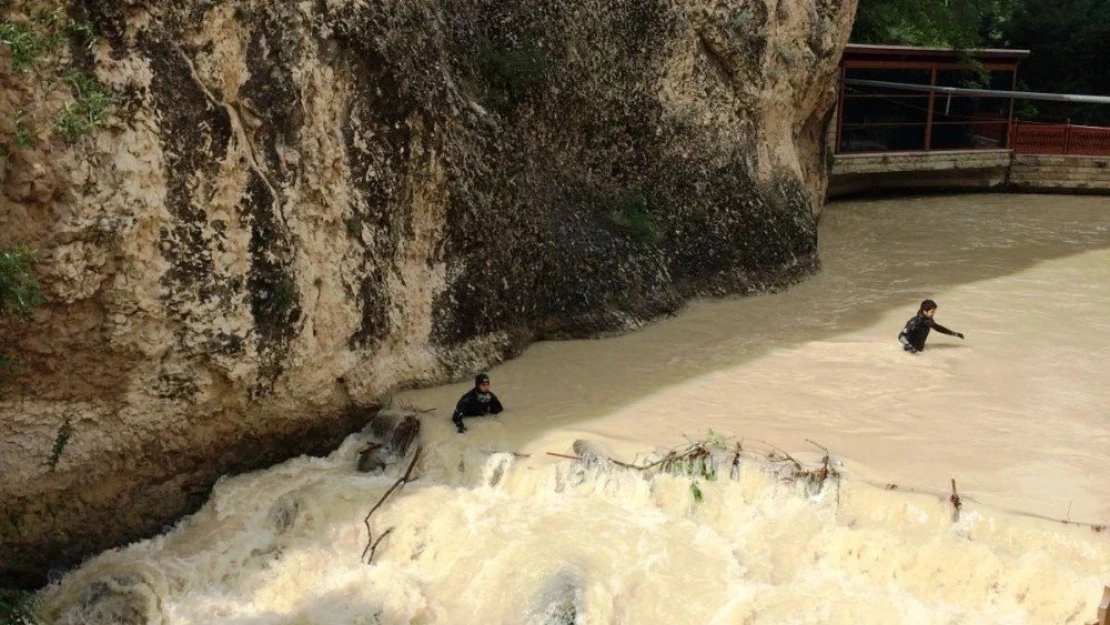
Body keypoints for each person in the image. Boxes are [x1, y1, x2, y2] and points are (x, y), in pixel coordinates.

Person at [898, 299, 964, 353]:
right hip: (910, 353)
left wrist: (953, 333)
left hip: (919, 351)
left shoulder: (928, 320)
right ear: (925, 311)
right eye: (932, 312)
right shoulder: (915, 321)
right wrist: (908, 346)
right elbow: (901, 335)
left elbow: (938, 328)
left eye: (934, 311)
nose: (934, 313)